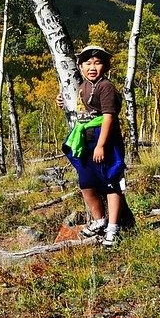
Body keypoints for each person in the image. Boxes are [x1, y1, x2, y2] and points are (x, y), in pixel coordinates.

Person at [57, 45, 132, 247]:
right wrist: (64, 103)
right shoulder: (83, 86)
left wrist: (101, 145)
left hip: (104, 140)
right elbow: (84, 107)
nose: (92, 67)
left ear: (105, 66)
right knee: (86, 182)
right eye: (88, 63)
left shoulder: (105, 86)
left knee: (111, 182)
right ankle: (100, 220)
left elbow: (108, 117)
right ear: (80, 67)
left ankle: (113, 228)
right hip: (86, 141)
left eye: (97, 63)